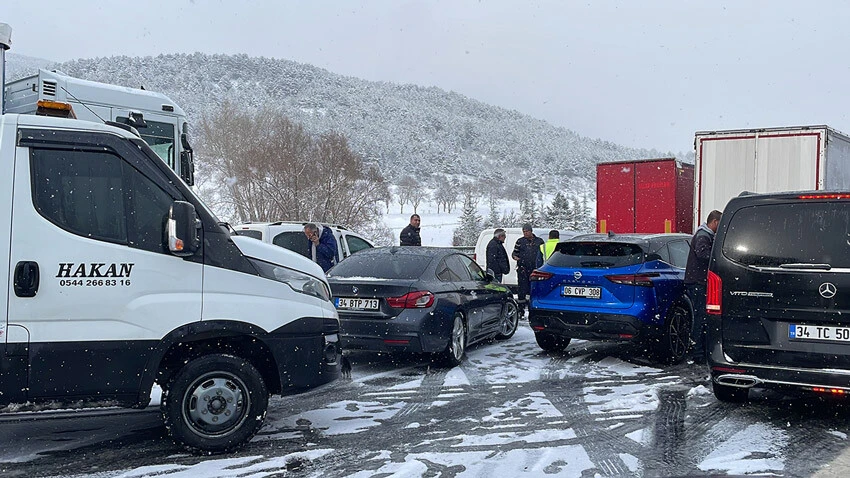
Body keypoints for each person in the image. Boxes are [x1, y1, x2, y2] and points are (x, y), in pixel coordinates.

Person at [684, 210, 722, 363]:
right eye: (719, 225)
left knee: (701, 317)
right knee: (700, 318)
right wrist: (717, 257)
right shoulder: (703, 236)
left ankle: (699, 351)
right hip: (698, 283)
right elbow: (703, 255)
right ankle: (698, 353)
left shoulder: (704, 235)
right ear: (715, 222)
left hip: (697, 281)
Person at [512, 223, 545, 316]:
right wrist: (518, 259)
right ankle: (521, 310)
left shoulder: (539, 241)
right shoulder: (520, 241)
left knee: (534, 290)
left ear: (531, 231)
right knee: (522, 291)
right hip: (523, 269)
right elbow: (514, 254)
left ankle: (533, 310)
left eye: (527, 231)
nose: (525, 233)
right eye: (524, 231)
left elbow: (543, 254)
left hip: (535, 270)